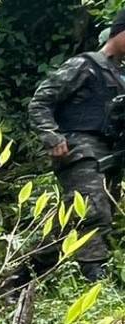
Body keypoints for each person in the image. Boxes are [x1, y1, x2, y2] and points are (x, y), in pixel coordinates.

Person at [28, 10, 125, 281]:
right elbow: (40, 101)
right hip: (80, 151)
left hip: (109, 155)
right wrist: (52, 136)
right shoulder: (85, 65)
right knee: (94, 213)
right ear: (119, 33)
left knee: (71, 220)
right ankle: (95, 277)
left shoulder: (118, 76)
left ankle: (23, 276)